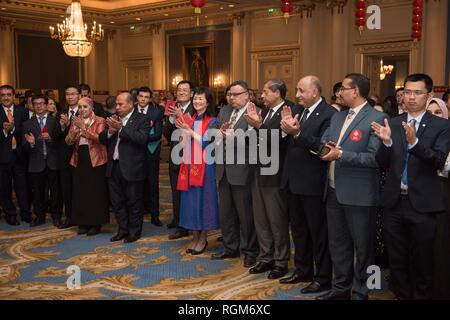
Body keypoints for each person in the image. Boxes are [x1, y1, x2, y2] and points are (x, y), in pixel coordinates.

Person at [372, 74, 450, 300]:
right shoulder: (393, 122)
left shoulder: (441, 125)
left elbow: (437, 160)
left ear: (429, 95)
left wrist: (414, 143)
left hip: (423, 205)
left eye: (417, 92)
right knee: (397, 262)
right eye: (408, 92)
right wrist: (386, 143)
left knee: (423, 262)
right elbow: (382, 163)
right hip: (394, 203)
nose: (412, 97)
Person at [318, 73, 385, 300]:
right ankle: (340, 289)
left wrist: (342, 154)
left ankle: (361, 291)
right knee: (338, 245)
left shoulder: (376, 117)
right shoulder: (338, 117)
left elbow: (375, 159)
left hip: (359, 194)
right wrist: (325, 148)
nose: (339, 93)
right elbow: (325, 142)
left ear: (355, 91)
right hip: (334, 190)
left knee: (363, 248)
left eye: (343, 89)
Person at [278, 76, 335, 293]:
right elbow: (288, 144)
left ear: (315, 92)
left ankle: (322, 277)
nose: (298, 95)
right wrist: (286, 131)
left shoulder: (329, 115)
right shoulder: (298, 111)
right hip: (292, 181)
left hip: (313, 183)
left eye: (301, 91)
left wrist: (297, 133)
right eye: (297, 90)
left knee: (318, 233)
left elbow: (323, 148)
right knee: (299, 230)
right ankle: (303, 270)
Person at [244, 79, 296, 279]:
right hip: (258, 170)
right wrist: (254, 126)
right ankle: (266, 257)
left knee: (276, 220)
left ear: (277, 93)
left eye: (265, 92)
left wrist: (259, 126)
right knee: (261, 218)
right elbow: (255, 139)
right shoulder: (264, 112)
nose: (262, 96)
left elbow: (277, 141)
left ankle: (281, 261)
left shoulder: (288, 111)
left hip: (275, 173)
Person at [211, 80, 259, 268]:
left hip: (243, 170)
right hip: (223, 170)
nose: (232, 98)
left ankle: (250, 251)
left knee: (246, 214)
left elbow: (257, 142)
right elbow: (214, 132)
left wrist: (235, 137)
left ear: (247, 95)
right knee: (227, 213)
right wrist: (218, 133)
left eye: (236, 94)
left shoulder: (254, 113)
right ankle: (230, 248)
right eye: (230, 94)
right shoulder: (224, 111)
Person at [99, 92, 150, 243]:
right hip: (114, 166)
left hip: (132, 167)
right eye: (117, 104)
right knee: (117, 201)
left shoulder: (142, 119)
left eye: (121, 104)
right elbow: (102, 138)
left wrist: (121, 129)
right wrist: (110, 131)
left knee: (133, 202)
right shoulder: (115, 118)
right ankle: (122, 229)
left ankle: (134, 232)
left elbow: (142, 139)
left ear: (130, 104)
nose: (117, 107)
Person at [176, 87, 219, 254]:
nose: (197, 101)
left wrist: (189, 131)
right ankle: (195, 236)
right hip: (188, 162)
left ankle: (203, 238)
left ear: (208, 102)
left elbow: (207, 143)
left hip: (205, 165)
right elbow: (181, 143)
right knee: (191, 200)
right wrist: (182, 131)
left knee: (204, 200)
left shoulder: (213, 121)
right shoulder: (190, 118)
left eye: (201, 99)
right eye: (195, 99)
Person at [65, 97, 109, 236]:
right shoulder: (76, 121)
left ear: (91, 108)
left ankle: (95, 223)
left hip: (96, 159)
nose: (82, 110)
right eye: (80, 107)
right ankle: (83, 222)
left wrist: (83, 127)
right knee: (80, 190)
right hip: (80, 158)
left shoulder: (100, 120)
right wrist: (74, 130)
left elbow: (99, 138)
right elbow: (68, 141)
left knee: (94, 191)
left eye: (85, 107)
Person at [22, 94, 62, 227]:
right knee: (38, 192)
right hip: (36, 163)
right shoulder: (27, 123)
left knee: (55, 191)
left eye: (41, 103)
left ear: (46, 105)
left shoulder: (54, 121)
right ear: (32, 106)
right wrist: (31, 143)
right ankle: (40, 217)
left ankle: (56, 216)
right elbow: (24, 146)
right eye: (36, 104)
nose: (39, 106)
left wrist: (50, 138)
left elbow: (60, 141)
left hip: (52, 162)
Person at [163, 80, 195, 240]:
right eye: (179, 90)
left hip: (190, 156)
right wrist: (170, 119)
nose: (181, 92)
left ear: (191, 93)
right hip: (175, 154)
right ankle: (178, 219)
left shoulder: (195, 108)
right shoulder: (173, 108)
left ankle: (186, 225)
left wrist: (180, 116)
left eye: (184, 90)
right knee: (176, 189)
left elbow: (193, 130)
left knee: (188, 191)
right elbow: (167, 134)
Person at [425, 97, 450, 299]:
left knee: (440, 246)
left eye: (438, 112)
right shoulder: (417, 134)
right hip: (421, 193)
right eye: (430, 113)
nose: (434, 117)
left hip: (443, 193)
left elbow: (444, 166)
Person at [0, 84, 31, 225]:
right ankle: (10, 214)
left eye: (8, 94)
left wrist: (13, 129)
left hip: (20, 155)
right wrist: (5, 131)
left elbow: (26, 130)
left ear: (13, 96)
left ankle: (26, 213)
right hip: (3, 157)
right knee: (5, 187)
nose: (6, 97)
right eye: (3, 95)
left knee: (22, 186)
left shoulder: (23, 111)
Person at [135, 86, 163, 227]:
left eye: (146, 97)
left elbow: (158, 134)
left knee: (153, 185)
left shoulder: (156, 112)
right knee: (136, 185)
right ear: (137, 97)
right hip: (134, 155)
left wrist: (139, 138)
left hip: (151, 154)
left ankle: (155, 215)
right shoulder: (132, 111)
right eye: (141, 96)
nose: (143, 99)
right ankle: (138, 212)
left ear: (150, 99)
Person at [57, 84, 81, 229]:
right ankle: (70, 217)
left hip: (82, 157)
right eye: (67, 94)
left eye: (73, 94)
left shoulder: (87, 110)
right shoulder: (61, 113)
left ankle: (82, 217)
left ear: (79, 95)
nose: (70, 97)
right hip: (65, 157)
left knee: (81, 187)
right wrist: (63, 127)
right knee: (66, 188)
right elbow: (55, 135)